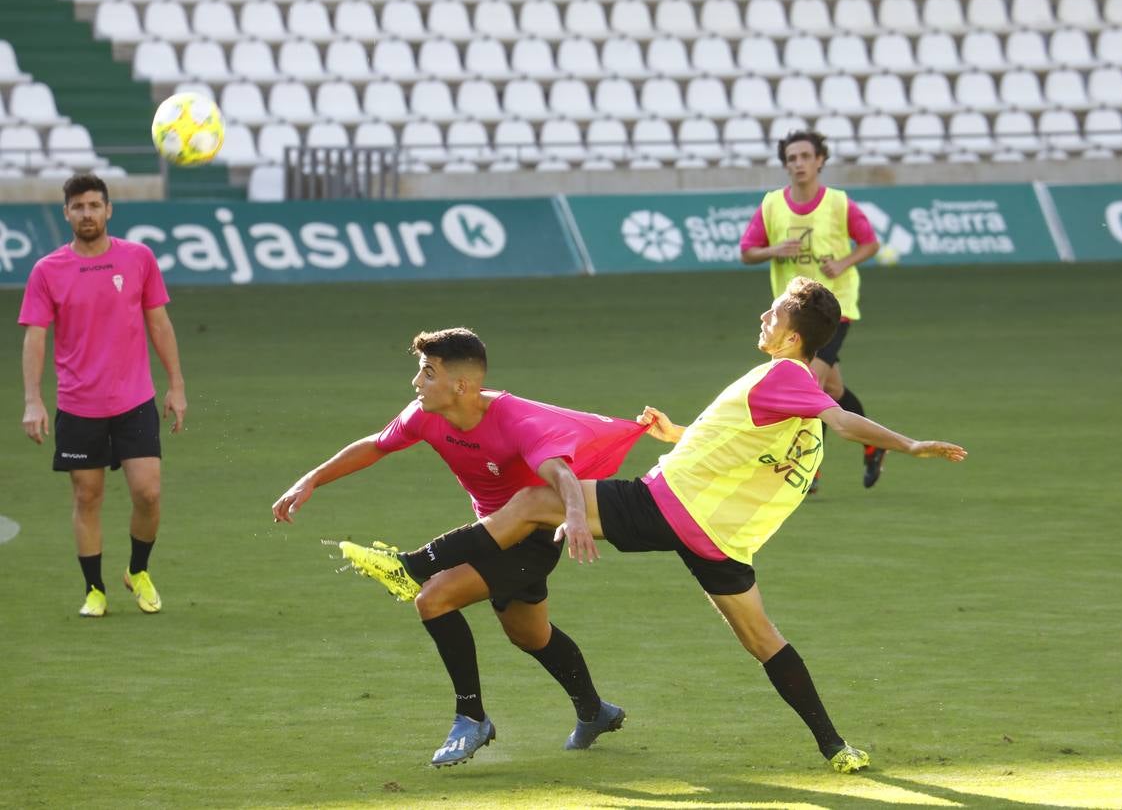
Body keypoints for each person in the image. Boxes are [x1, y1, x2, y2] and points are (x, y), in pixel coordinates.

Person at [340, 278, 967, 773]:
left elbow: (840, 418)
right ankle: (836, 748)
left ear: (794, 333)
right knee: (763, 639)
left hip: (665, 505)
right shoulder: (780, 386)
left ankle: (411, 568)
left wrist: (906, 444)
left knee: (534, 501)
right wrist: (679, 434)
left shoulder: (786, 374)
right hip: (719, 539)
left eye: (773, 314)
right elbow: (740, 440)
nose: (763, 319)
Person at [271, 328, 648, 766]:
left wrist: (578, 516)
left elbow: (560, 472)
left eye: (427, 374)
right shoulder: (424, 414)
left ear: (461, 385)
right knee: (529, 634)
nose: (417, 383)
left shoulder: (515, 419)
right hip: (487, 531)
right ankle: (594, 711)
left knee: (433, 599)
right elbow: (375, 446)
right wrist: (311, 479)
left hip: (532, 538)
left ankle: (471, 717)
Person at [18, 174, 187, 618]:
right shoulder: (47, 270)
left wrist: (177, 384)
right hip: (78, 406)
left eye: (95, 205)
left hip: (134, 400)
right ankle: (94, 589)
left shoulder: (138, 259)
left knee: (148, 494)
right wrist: (33, 400)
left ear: (109, 210)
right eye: (79, 207)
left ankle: (138, 570)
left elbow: (159, 323)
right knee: (87, 497)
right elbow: (35, 338)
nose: (87, 214)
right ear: (67, 213)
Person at [740, 130, 883, 493]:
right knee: (832, 387)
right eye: (792, 158)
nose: (799, 164)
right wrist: (775, 251)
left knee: (809, 383)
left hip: (836, 310)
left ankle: (807, 467)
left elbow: (869, 242)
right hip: (794, 315)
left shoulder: (838, 203)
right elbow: (747, 251)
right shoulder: (772, 204)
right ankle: (874, 443)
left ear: (820, 160)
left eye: (806, 156)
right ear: (786, 164)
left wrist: (845, 262)